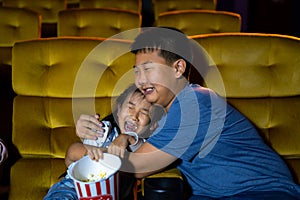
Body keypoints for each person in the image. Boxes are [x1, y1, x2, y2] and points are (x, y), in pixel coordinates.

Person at [77, 27, 300, 199]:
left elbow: (136, 167)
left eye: (148, 69)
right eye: (137, 72)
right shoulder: (164, 114)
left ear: (178, 68)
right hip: (215, 195)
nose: (140, 80)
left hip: (262, 191)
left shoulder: (194, 103)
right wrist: (90, 137)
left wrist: (81, 152)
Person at [44, 84, 165, 200]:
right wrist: (90, 152)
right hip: (72, 189)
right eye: (130, 107)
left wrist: (128, 138)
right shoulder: (103, 132)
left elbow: (146, 160)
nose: (134, 116)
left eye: (144, 113)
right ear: (118, 111)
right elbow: (70, 157)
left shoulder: (144, 146)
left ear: (153, 125)